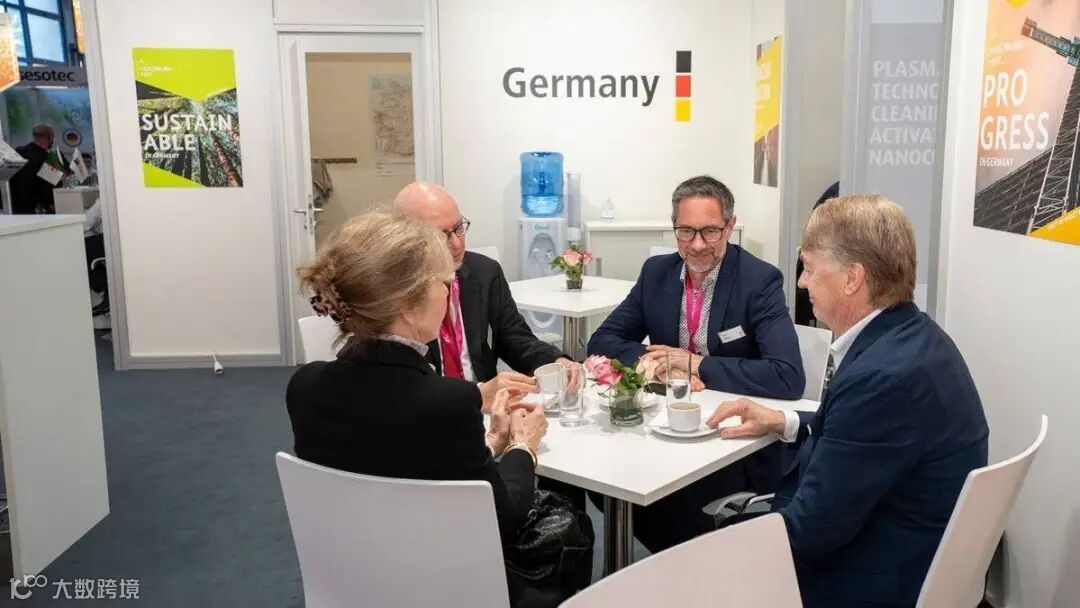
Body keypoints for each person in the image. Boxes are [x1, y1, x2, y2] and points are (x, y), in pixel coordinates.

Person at [286, 213, 586, 606]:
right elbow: (505, 519)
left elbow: (394, 463)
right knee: (571, 520)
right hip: (444, 588)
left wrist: (491, 444)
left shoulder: (304, 386)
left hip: (354, 577)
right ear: (410, 308)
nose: (449, 294)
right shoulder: (446, 402)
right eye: (444, 284)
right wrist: (522, 446)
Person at [707, 195, 988, 608]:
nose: (802, 283)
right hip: (914, 548)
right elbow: (862, 437)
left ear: (852, 278)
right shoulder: (918, 338)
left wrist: (719, 557)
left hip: (866, 579)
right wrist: (785, 420)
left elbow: (810, 531)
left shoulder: (880, 379)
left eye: (809, 267)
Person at [584, 175, 805, 553]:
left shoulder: (758, 280)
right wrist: (660, 363)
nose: (697, 244)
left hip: (728, 440)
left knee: (669, 500)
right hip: (662, 426)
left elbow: (787, 375)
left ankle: (687, 567)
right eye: (685, 232)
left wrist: (698, 365)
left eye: (710, 231)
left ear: (730, 227)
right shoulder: (656, 273)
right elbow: (603, 340)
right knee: (602, 477)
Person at [393, 182, 577, 398]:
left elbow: (514, 338)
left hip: (486, 407)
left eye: (459, 228)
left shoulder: (485, 272)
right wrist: (477, 394)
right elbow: (400, 383)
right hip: (430, 406)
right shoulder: (394, 290)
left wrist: (555, 360)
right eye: (441, 235)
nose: (457, 243)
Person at [10, 123, 60, 215]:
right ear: (49, 137)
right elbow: (50, 191)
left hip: (14, 210)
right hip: (37, 212)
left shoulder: (17, 152)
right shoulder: (49, 159)